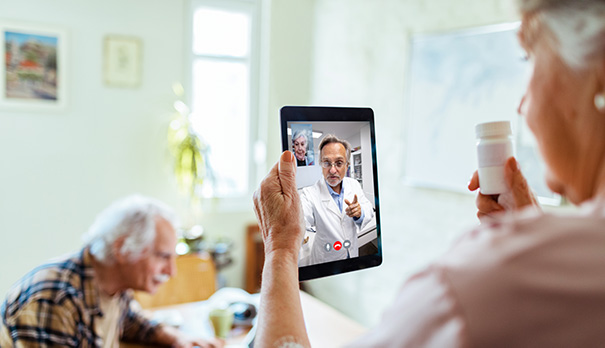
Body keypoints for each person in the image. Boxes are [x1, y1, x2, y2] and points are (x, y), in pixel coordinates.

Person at [252, 0, 605, 346]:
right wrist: (534, 240)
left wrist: (280, 247)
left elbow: (365, 228)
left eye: (532, 60)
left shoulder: (475, 286)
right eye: (325, 162)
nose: (523, 105)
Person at [0, 195, 222, 348]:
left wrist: (177, 337)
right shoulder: (55, 301)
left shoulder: (113, 283)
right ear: (123, 250)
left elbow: (130, 320)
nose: (172, 271)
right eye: (162, 256)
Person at [298, 135, 374, 266]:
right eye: (327, 163)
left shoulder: (354, 184)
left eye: (339, 163)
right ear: (321, 164)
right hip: (326, 260)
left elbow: (368, 208)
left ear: (347, 165)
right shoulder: (309, 193)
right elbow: (299, 220)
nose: (332, 170)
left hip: (352, 254)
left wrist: (360, 212)